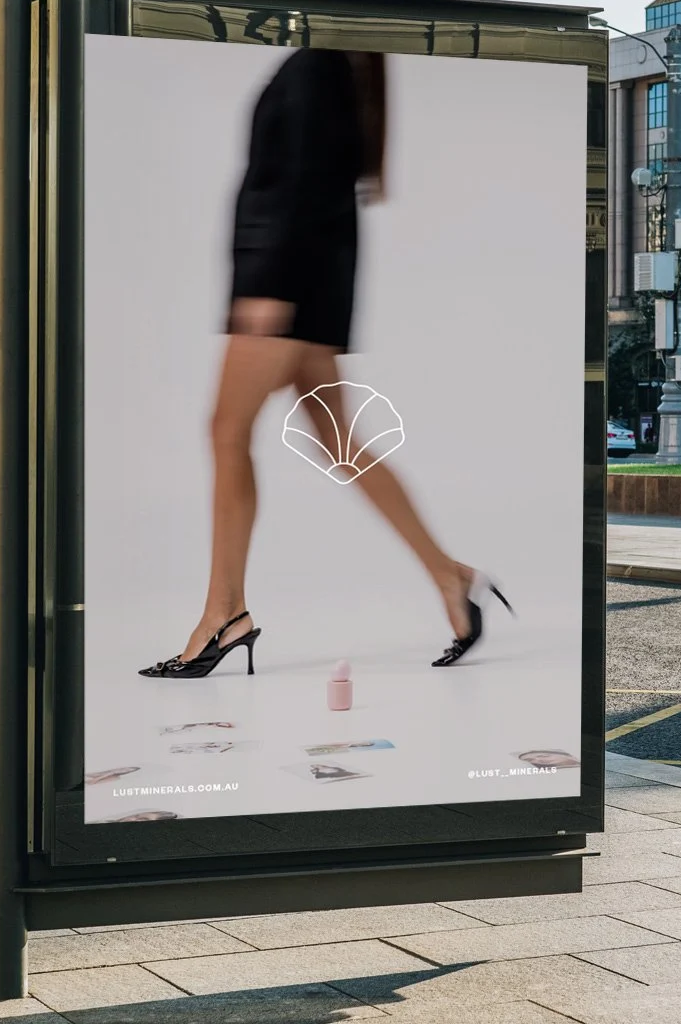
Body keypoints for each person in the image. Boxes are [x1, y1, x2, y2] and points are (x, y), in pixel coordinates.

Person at [139, 48, 511, 681]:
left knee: (228, 431)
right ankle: (450, 576)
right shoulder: (341, 69)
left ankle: (225, 614)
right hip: (310, 287)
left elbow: (297, 182)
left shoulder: (319, 66)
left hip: (282, 286)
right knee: (340, 444)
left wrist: (267, 287)